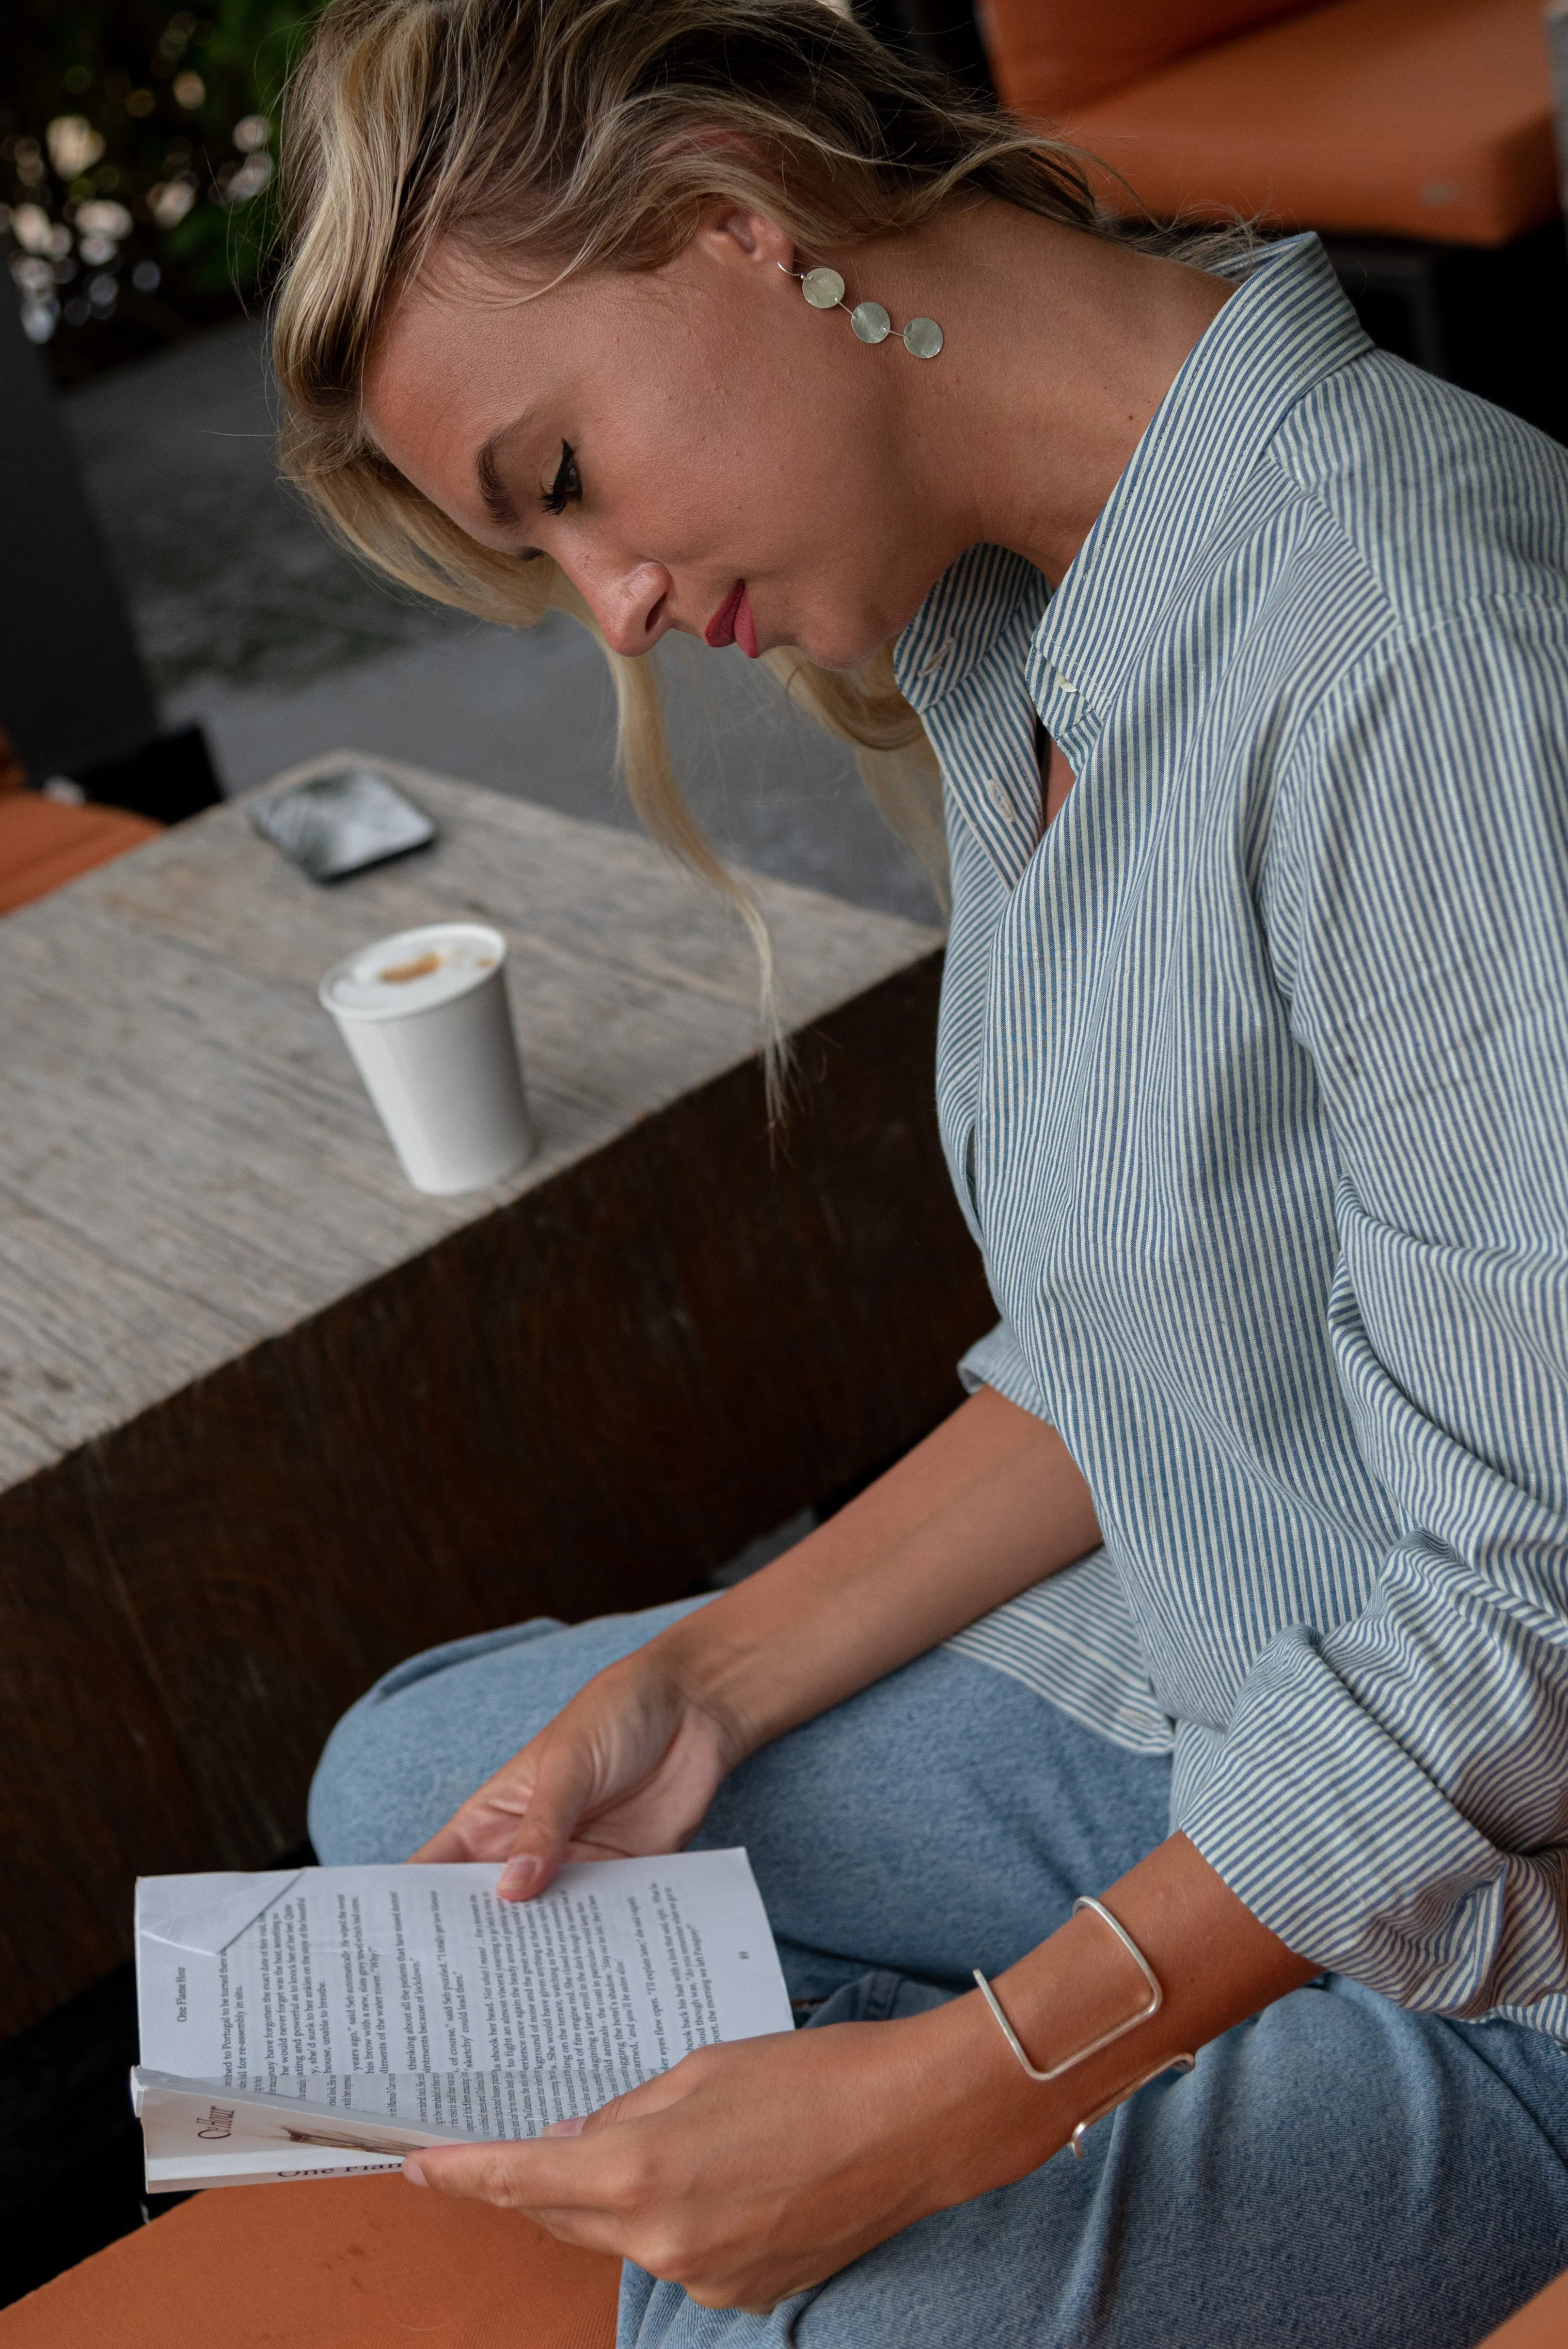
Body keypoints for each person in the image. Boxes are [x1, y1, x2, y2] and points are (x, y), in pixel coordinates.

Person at [276, 1, 1568, 2340]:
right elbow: (1138, 1352)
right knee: (413, 1804)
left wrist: (953, 2096)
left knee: (801, 2310)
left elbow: (1538, 1621)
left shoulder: (1406, 636)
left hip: (1505, 1929)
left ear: (724, 227)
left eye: (562, 472)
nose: (618, 604)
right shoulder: (1028, 621)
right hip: (1204, 1681)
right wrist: (702, 1681)